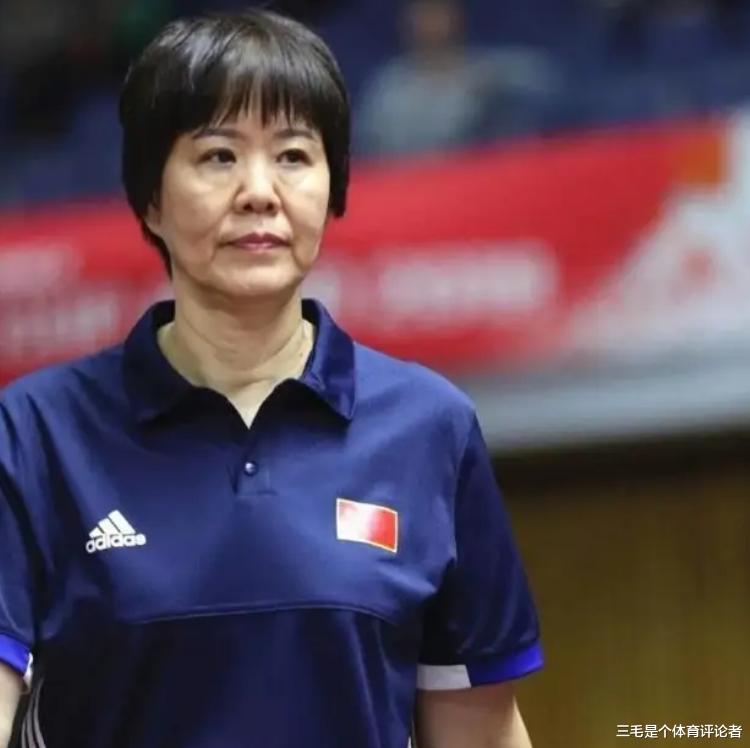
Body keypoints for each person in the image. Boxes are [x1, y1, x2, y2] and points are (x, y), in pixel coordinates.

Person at [0, 9, 542, 747]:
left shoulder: (430, 427)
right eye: (218, 156)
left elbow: (479, 729)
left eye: (292, 155)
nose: (259, 191)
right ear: (151, 198)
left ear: (332, 186)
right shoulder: (34, 435)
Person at [355, 0, 560, 157]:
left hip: (475, 183)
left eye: (438, 12)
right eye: (423, 14)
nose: (431, 24)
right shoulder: (388, 87)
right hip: (412, 188)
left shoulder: (487, 72)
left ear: (456, 17)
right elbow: (371, 153)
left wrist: (491, 95)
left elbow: (546, 78)